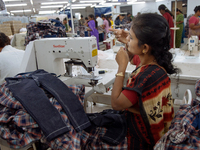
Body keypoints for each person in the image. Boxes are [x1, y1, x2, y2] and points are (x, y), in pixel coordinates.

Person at [110, 13, 178, 149]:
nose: (128, 38)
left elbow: (116, 104)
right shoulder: (156, 64)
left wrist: (121, 68)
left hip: (142, 140)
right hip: (159, 133)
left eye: (132, 37)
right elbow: (138, 59)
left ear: (145, 47)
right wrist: (129, 42)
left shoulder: (145, 76)